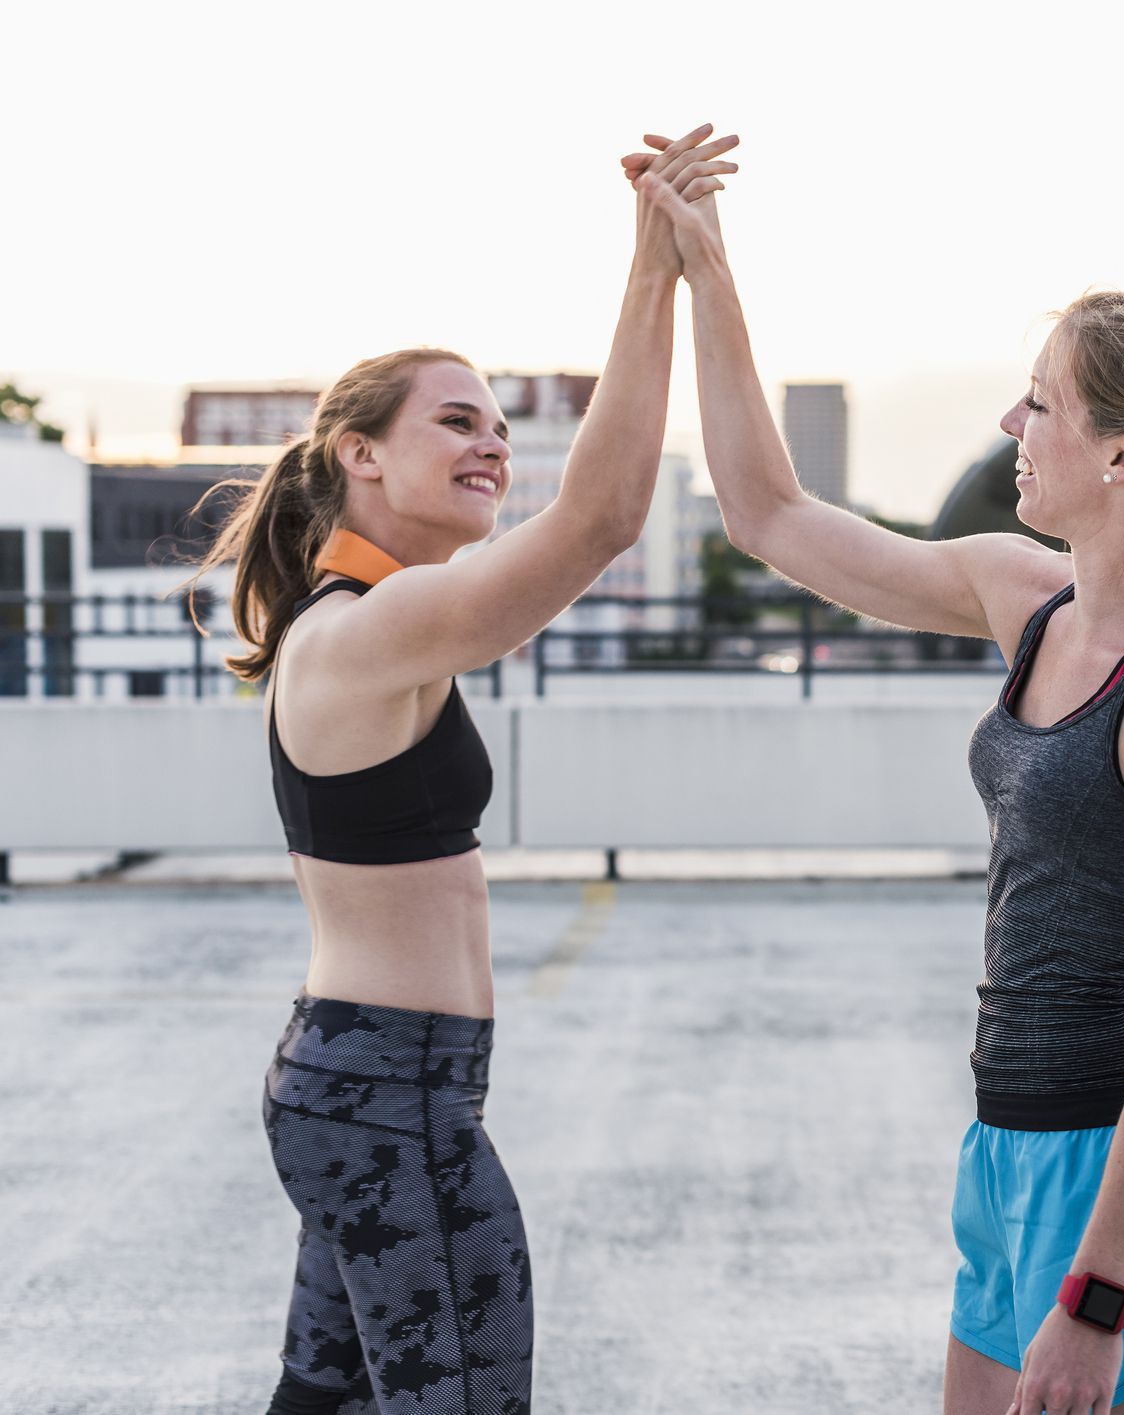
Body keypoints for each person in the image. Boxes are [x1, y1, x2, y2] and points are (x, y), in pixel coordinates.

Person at [627, 146, 1124, 1412]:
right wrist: (705, 269)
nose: (1008, 427)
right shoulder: (1022, 592)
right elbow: (766, 514)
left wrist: (1094, 1297)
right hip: (1003, 1143)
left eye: (1038, 404)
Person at [190, 123, 738, 1415]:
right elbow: (602, 516)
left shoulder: (374, 624)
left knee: (319, 1401)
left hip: (368, 1091)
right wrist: (653, 264)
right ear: (358, 455)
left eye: (499, 426)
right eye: (456, 422)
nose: (493, 445)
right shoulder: (364, 630)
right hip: (391, 1106)